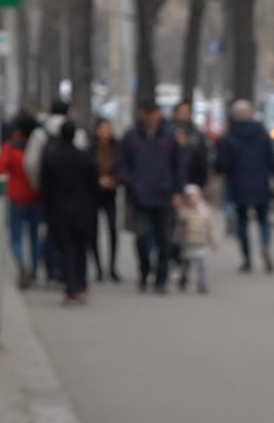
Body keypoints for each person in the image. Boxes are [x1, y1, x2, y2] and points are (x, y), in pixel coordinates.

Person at [116, 100, 185, 293]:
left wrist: (177, 191)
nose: (151, 117)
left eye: (154, 113)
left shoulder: (169, 137)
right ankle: (144, 271)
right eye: (147, 113)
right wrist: (130, 182)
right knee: (142, 237)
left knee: (164, 239)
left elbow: (178, 166)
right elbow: (121, 163)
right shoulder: (131, 137)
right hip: (139, 196)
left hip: (164, 195)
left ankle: (161, 278)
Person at [214, 99, 274, 274]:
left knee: (242, 221)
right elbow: (271, 158)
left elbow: (223, 164)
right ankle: (265, 245)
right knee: (264, 220)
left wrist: (221, 171)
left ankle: (247, 259)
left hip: (238, 184)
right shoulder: (261, 132)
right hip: (261, 182)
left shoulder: (229, 136)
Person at [39, 119, 101, 305]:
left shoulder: (51, 158)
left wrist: (46, 209)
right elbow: (94, 187)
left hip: (59, 209)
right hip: (84, 210)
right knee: (81, 248)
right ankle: (82, 283)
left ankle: (70, 286)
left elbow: (45, 188)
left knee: (65, 249)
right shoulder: (86, 158)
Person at [0, 115, 45, 289]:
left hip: (15, 197)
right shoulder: (40, 148)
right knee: (35, 236)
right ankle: (33, 271)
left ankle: (19, 261)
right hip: (36, 197)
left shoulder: (10, 147)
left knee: (15, 237)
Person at [90, 117, 122, 283]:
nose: (105, 133)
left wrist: (115, 179)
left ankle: (112, 267)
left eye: (108, 129)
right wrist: (98, 180)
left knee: (112, 229)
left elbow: (122, 166)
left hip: (110, 192)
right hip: (94, 193)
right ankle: (98, 268)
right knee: (94, 231)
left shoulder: (116, 148)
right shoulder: (91, 148)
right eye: (102, 129)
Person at [175, 184, 222, 294]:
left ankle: (203, 283)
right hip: (188, 242)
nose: (193, 199)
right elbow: (179, 221)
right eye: (190, 197)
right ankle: (183, 278)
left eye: (196, 197)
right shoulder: (184, 211)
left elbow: (210, 228)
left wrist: (214, 242)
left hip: (202, 242)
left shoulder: (205, 212)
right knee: (186, 263)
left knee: (203, 265)